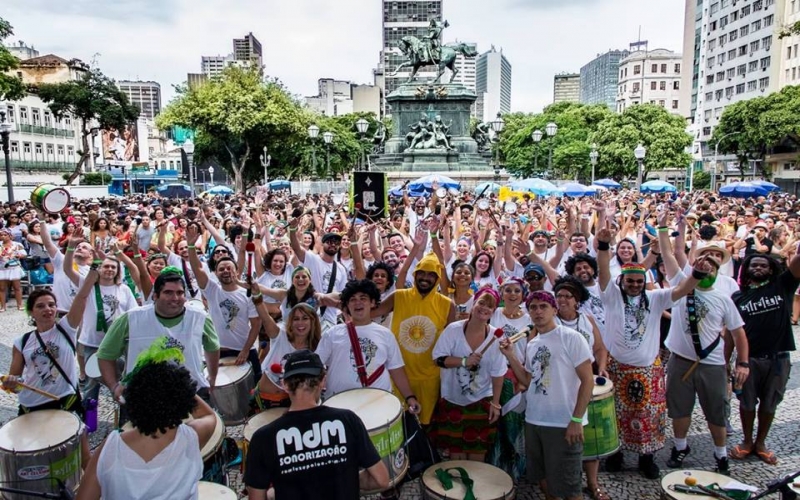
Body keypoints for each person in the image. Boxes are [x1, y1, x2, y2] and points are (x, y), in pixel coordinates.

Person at [596, 207, 701, 479]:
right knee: (616, 415)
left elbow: (681, 290)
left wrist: (697, 275)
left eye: (638, 281)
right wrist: (604, 245)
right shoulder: (611, 296)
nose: (634, 284)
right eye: (629, 281)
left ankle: (647, 459)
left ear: (645, 282)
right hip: (618, 367)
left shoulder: (655, 299)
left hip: (648, 368)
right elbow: (603, 269)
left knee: (649, 416)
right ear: (622, 282)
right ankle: (616, 454)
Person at [660, 213, 750, 474]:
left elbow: (739, 333)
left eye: (712, 264)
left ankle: (720, 455)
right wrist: (665, 227)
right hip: (680, 361)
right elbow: (667, 253)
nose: (706, 267)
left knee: (716, 412)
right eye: (702, 262)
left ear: (717, 269)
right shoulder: (681, 285)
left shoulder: (723, 298)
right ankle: (679, 447)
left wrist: (742, 363)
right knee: (679, 408)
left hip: (712, 363)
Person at [245, 350, 389, 499]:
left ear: (285, 385)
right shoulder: (348, 420)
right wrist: (347, 479)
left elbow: (257, 497)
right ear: (323, 381)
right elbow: (381, 479)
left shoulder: (263, 437)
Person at [76, 354, 218, 500]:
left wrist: (86, 456)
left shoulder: (111, 447)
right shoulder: (190, 439)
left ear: (133, 400)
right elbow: (208, 416)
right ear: (183, 400)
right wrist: (180, 384)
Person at [499, 291, 594, 500]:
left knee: (570, 487)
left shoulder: (571, 338)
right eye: (533, 307)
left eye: (543, 306)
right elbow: (527, 380)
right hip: (534, 420)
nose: (538, 311)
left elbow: (588, 380)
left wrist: (577, 419)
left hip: (563, 422)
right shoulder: (533, 344)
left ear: (554, 310)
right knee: (544, 482)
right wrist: (511, 356)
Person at [2, 271, 97, 468]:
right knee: (37, 459)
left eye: (52, 305)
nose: (48, 309)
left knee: (83, 454)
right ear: (31, 312)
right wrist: (10, 384)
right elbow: (15, 382)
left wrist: (94, 269)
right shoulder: (22, 342)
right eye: (41, 306)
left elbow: (82, 295)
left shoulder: (67, 328)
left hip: (65, 400)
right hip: (31, 405)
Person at [96, 268, 221, 405]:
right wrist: (114, 387)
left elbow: (212, 347)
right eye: (168, 293)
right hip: (142, 397)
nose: (175, 298)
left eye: (180, 293)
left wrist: (212, 377)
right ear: (155, 296)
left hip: (191, 393)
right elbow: (105, 355)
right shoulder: (129, 319)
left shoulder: (200, 317)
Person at [729, 252, 800, 465]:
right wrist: (728, 361)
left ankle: (761, 443)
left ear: (771, 269)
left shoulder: (783, 284)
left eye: (763, 265)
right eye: (753, 265)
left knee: (770, 404)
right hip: (749, 360)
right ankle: (747, 441)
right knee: (747, 403)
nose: (758, 268)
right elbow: (732, 332)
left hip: (778, 359)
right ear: (746, 269)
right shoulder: (738, 297)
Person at [371, 253, 455, 425]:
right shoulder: (399, 296)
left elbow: (452, 341)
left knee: (424, 426)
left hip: (430, 377)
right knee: (396, 423)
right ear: (415, 274)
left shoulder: (447, 304)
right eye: (422, 273)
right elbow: (372, 312)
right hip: (398, 374)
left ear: (438, 278)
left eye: (431, 274)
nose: (425, 278)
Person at [315, 279, 420, 413]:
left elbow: (396, 369)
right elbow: (316, 367)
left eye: (363, 298)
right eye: (352, 299)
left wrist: (409, 397)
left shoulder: (386, 334)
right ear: (347, 305)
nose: (358, 302)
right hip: (339, 406)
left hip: (377, 405)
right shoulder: (332, 333)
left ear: (372, 303)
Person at [431, 287, 506, 461]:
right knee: (456, 455)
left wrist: (495, 403)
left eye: (490, 306)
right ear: (473, 304)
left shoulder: (496, 336)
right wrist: (464, 361)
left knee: (477, 455)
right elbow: (437, 359)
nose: (484, 308)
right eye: (481, 302)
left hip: (482, 401)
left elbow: (498, 372)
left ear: (493, 311)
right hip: (452, 399)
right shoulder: (453, 330)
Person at [186, 225, 262, 383]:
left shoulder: (247, 294)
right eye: (221, 269)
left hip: (244, 350)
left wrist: (246, 350)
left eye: (229, 268)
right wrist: (191, 246)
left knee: (256, 391)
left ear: (236, 271)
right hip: (218, 351)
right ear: (216, 273)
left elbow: (256, 324)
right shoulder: (212, 290)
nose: (226, 271)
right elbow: (197, 268)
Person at [0, 228, 27, 312]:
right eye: (1, 235)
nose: (3, 237)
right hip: (2, 268)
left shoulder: (17, 244)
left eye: (5, 235)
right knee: (2, 288)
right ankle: (3, 306)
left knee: (17, 287)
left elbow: (24, 254)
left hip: (14, 267)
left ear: (10, 236)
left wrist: (17, 255)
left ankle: (19, 305)